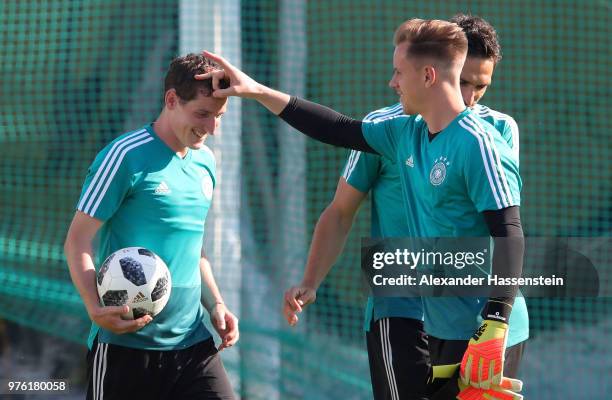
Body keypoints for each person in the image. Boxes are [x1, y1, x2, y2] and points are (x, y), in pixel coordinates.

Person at [198, 17, 526, 398]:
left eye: (398, 72)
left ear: (429, 76)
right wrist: (254, 90)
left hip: (483, 326)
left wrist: (497, 321)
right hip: (432, 318)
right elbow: (337, 128)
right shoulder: (404, 132)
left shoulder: (482, 141)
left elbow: (509, 231)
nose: (392, 81)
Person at [64, 54, 238, 400]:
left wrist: (216, 303)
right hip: (126, 350)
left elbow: (193, 248)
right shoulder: (124, 156)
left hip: (193, 344)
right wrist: (95, 309)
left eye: (219, 116)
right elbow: (77, 242)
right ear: (171, 100)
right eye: (202, 114)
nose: (212, 128)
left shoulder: (206, 161)